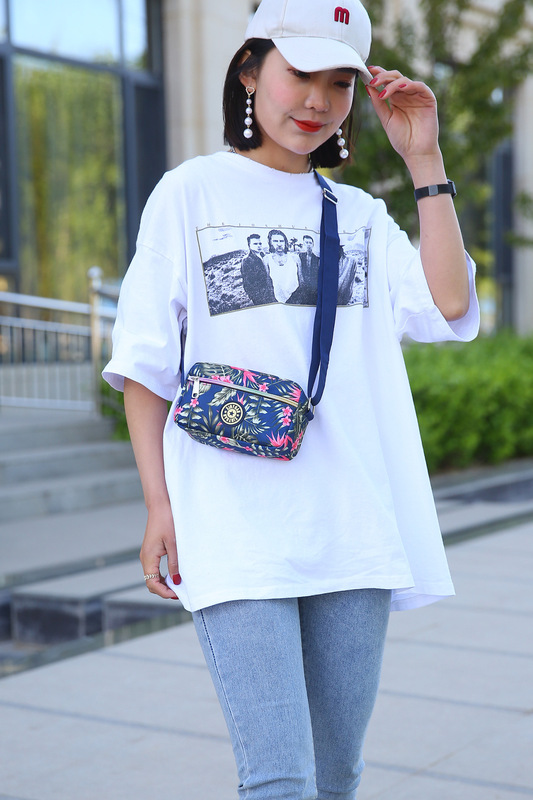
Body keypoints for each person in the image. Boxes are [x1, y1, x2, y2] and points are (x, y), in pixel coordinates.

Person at [103, 0, 480, 796]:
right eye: (299, 73)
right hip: (231, 524)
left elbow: (448, 304)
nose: (316, 100)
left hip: (351, 525)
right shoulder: (190, 193)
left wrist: (424, 159)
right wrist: (158, 505)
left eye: (339, 82)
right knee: (279, 779)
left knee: (336, 774)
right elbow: (144, 364)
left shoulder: (360, 216)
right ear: (249, 71)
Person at [241, 233, 276, 305]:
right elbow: (247, 284)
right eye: (255, 244)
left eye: (260, 243)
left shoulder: (264, 256)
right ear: (249, 245)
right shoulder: (247, 260)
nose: (259, 246)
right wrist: (256, 298)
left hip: (272, 292)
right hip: (261, 297)